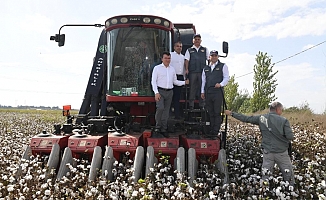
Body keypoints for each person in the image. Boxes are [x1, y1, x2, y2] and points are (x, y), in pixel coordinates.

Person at [225, 102, 295, 185]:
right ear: (278, 110)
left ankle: (265, 191)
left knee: (266, 175)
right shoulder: (284, 120)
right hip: (281, 152)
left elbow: (246, 118)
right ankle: (290, 191)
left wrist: (231, 113)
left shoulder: (261, 118)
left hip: (267, 152)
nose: (282, 111)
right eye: (281, 110)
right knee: (288, 175)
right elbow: (290, 136)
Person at [151, 52, 189, 137]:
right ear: (162, 59)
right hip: (160, 91)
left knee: (166, 111)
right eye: (166, 58)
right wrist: (156, 92)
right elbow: (153, 81)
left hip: (170, 92)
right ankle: (157, 127)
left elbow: (175, 81)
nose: (167, 60)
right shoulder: (157, 68)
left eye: (169, 58)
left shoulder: (172, 69)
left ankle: (164, 129)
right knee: (160, 108)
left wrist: (184, 83)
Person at [201, 50, 229, 136]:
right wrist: (202, 92)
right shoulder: (206, 68)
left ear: (217, 57)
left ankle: (215, 130)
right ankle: (210, 129)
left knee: (217, 112)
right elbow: (203, 81)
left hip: (218, 92)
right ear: (209, 57)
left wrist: (220, 84)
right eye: (212, 55)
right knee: (210, 112)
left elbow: (226, 78)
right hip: (208, 92)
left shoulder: (223, 66)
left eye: (215, 56)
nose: (213, 57)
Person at [185, 34, 210, 110]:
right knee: (192, 88)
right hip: (192, 72)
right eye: (195, 39)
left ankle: (202, 104)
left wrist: (208, 69)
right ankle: (191, 105)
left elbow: (209, 59)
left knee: (201, 88)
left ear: (201, 41)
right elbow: (186, 60)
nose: (197, 40)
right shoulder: (189, 50)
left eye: (198, 39)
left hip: (202, 72)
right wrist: (186, 69)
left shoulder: (205, 49)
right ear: (193, 41)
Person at [170, 42, 185, 119]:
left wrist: (185, 79)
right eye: (177, 46)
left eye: (180, 46)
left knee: (177, 97)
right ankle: (169, 113)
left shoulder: (183, 57)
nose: (179, 48)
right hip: (171, 76)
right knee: (170, 96)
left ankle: (176, 114)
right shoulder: (171, 55)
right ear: (174, 47)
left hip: (180, 77)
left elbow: (184, 68)